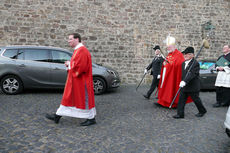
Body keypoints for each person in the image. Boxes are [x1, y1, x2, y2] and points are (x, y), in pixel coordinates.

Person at [46, 33, 96, 126]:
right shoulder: (78, 50)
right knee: (68, 98)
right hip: (76, 81)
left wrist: (69, 64)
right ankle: (57, 116)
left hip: (81, 81)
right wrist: (70, 63)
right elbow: (77, 63)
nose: (68, 41)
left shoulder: (82, 50)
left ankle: (91, 118)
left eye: (70, 39)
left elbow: (81, 67)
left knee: (84, 100)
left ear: (77, 39)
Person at [157, 35, 192, 108]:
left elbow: (179, 64)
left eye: (169, 47)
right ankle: (163, 101)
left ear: (173, 46)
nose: (167, 48)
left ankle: (172, 103)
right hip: (166, 74)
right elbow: (167, 62)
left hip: (173, 76)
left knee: (172, 89)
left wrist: (169, 65)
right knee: (164, 87)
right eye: (167, 47)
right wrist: (164, 64)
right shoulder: (169, 54)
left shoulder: (178, 54)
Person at [173, 47, 207, 119]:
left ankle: (202, 111)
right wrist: (182, 81)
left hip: (193, 86)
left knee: (196, 100)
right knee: (181, 100)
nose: (185, 55)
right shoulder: (183, 63)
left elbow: (192, 74)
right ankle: (180, 114)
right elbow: (184, 74)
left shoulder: (195, 63)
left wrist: (185, 81)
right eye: (184, 54)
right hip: (184, 86)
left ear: (193, 55)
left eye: (188, 54)